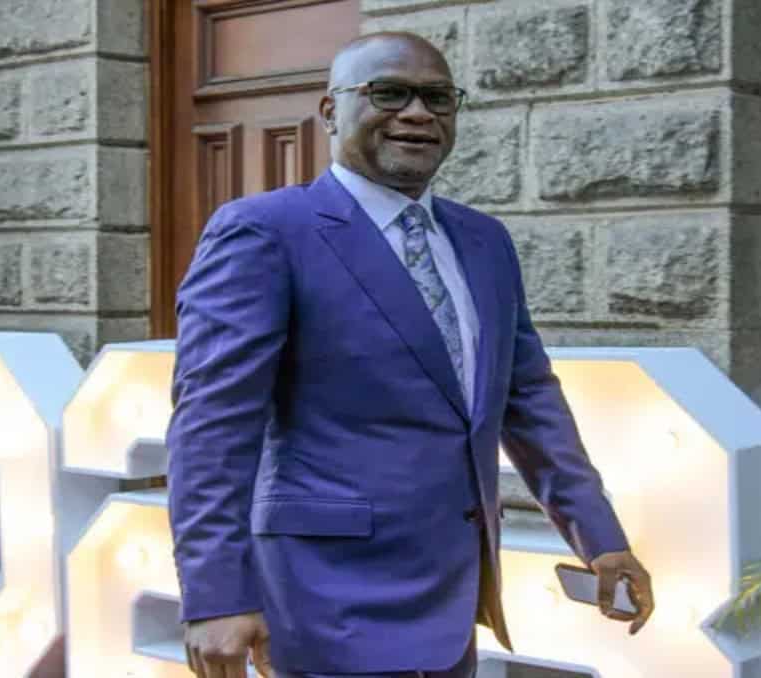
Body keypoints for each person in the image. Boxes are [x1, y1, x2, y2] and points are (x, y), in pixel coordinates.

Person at [166, 31, 655, 678]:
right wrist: (217, 594)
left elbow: (529, 398)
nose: (418, 114)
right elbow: (211, 425)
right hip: (322, 602)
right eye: (389, 93)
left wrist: (599, 536)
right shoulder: (264, 231)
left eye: (437, 98)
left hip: (454, 601)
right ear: (331, 111)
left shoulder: (485, 241)